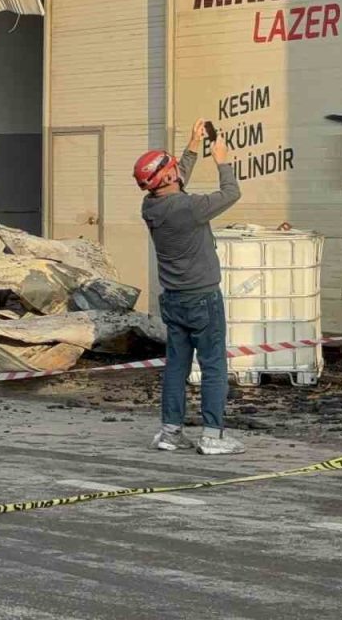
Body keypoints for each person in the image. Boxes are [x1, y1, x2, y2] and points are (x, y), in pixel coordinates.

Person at [135, 118, 243, 455]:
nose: (176, 170)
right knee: (213, 366)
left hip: (173, 300)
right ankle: (212, 436)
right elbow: (231, 193)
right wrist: (221, 160)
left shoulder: (151, 206)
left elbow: (175, 177)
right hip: (203, 299)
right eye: (172, 168)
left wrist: (193, 145)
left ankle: (170, 432)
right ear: (167, 178)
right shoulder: (188, 208)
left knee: (176, 367)